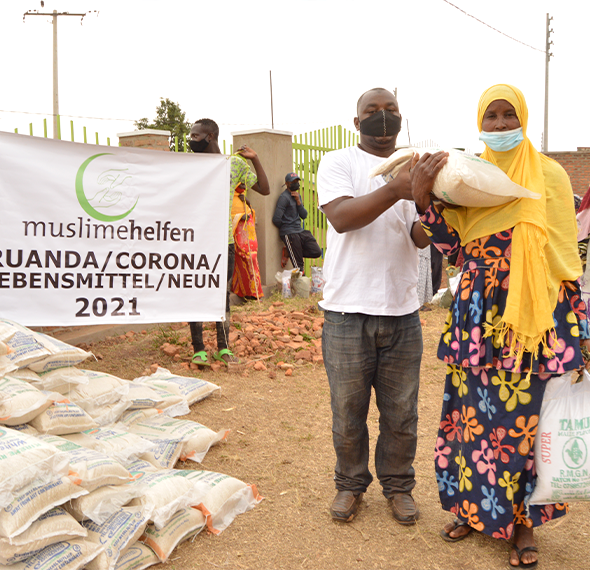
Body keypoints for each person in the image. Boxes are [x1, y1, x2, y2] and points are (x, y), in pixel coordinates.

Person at [411, 84, 589, 569]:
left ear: (523, 118)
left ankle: (523, 524)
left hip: (533, 316)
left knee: (525, 424)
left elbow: (562, 256)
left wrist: (577, 329)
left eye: (509, 115)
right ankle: (472, 509)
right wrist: (424, 198)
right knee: (469, 415)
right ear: (480, 123)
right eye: (491, 116)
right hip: (477, 312)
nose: (500, 125)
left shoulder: (549, 176)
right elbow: (453, 248)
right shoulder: (468, 177)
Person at [316, 87, 448, 525]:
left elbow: (417, 236)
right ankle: (350, 485)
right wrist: (398, 188)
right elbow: (342, 218)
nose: (382, 117)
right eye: (371, 111)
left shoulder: (414, 169)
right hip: (346, 311)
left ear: (401, 117)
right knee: (347, 412)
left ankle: (399, 487)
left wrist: (433, 207)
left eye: (390, 110)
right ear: (357, 123)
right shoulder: (339, 162)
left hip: (402, 312)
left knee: (401, 413)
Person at [188, 118, 269, 366]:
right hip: (195, 241)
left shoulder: (233, 164)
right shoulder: (188, 165)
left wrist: (254, 159)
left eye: (195, 136)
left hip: (223, 242)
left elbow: (264, 189)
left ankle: (224, 347)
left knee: (220, 294)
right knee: (195, 294)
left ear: (210, 136)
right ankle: (198, 348)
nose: (191, 141)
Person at [272, 172, 322, 273]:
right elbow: (276, 219)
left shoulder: (297, 197)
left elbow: (304, 215)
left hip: (300, 230)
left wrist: (299, 202)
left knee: (316, 251)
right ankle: (300, 286)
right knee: (299, 267)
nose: (296, 183)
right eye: (293, 182)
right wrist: (287, 227)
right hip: (290, 232)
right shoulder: (284, 198)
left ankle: (289, 252)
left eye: (297, 181)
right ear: (287, 183)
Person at [231, 183, 264, 300]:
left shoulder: (243, 197)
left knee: (253, 258)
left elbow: (251, 212)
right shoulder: (230, 196)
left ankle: (254, 291)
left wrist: (248, 203)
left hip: (249, 235)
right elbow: (228, 216)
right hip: (239, 235)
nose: (244, 186)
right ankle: (247, 292)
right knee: (245, 259)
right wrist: (239, 217)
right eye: (241, 184)